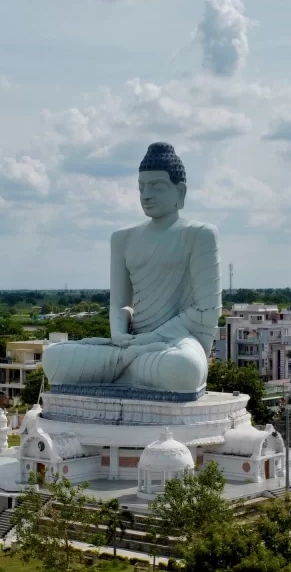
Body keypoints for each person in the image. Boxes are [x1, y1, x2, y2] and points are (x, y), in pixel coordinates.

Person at [41, 142, 221, 394]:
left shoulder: (199, 234)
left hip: (174, 343)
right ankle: (131, 365)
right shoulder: (123, 238)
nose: (146, 195)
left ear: (180, 192)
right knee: (53, 357)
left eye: (156, 186)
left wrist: (152, 338)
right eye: (141, 187)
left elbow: (206, 310)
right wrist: (118, 334)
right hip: (133, 344)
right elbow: (120, 304)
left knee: (184, 368)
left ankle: (123, 367)